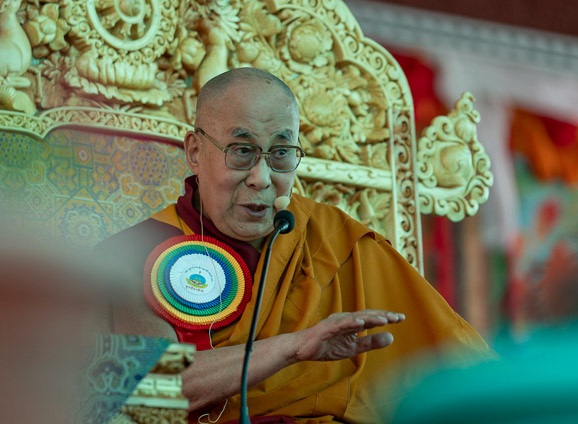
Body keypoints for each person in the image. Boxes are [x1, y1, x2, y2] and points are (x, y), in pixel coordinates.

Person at [98, 67, 491, 423]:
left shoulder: (333, 240)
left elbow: (462, 372)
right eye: (242, 151)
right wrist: (295, 347)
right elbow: (155, 390)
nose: (261, 177)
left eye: (281, 154)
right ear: (195, 153)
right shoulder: (137, 251)